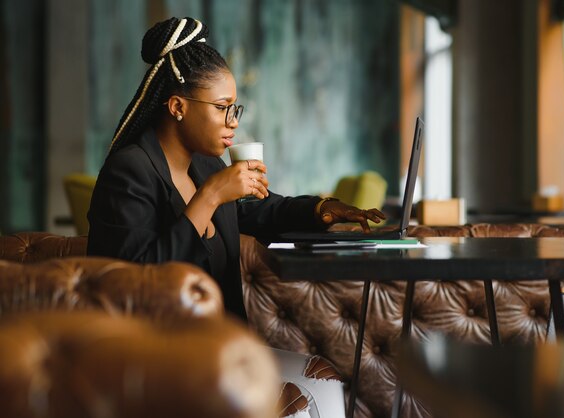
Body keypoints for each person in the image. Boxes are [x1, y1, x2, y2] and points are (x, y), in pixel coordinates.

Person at [87, 17, 385, 418]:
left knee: (324, 376)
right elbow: (134, 283)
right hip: (160, 356)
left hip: (220, 347)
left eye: (235, 107)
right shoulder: (130, 171)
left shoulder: (205, 167)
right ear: (177, 107)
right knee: (311, 395)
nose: (234, 122)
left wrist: (321, 210)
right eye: (222, 108)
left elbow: (261, 209)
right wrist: (209, 198)